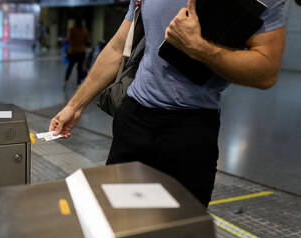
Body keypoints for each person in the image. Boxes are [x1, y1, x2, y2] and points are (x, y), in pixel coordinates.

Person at [49, 0, 285, 206]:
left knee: (179, 236)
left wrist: (200, 49)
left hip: (191, 132)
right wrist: (74, 106)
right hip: (133, 120)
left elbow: (267, 72)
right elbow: (118, 45)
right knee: (118, 219)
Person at [64, 18, 91, 89]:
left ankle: (65, 82)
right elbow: (88, 41)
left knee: (70, 67)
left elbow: (67, 39)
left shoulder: (71, 30)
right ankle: (78, 84)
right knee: (79, 68)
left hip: (72, 51)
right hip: (81, 51)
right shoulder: (84, 30)